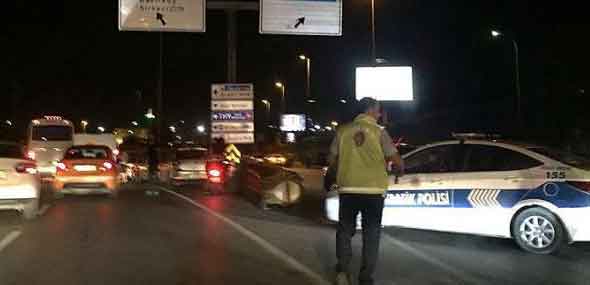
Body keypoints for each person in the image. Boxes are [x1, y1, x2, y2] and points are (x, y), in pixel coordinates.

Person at [329, 97, 403, 285]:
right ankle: (365, 277)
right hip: (374, 192)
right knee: (371, 234)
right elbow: (396, 160)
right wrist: (398, 169)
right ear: (370, 110)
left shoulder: (342, 131)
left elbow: (331, 159)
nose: (379, 114)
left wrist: (342, 168)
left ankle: (343, 272)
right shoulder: (379, 132)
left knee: (345, 231)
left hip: (348, 189)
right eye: (378, 110)